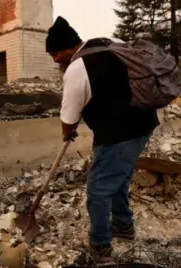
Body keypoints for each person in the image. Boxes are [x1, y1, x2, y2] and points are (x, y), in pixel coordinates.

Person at [45, 16, 159, 262]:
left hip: (119, 132)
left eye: (56, 53)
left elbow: (69, 116)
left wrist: (68, 132)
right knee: (117, 177)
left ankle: (100, 246)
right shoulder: (110, 43)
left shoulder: (77, 68)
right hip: (144, 124)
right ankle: (124, 227)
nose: (55, 59)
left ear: (69, 46)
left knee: (98, 189)